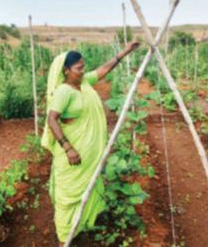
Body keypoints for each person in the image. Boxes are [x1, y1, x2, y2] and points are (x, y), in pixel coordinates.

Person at [41, 41, 141, 246]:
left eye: (83, 66)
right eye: (78, 68)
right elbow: (52, 119)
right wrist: (68, 148)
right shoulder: (63, 92)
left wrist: (125, 51)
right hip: (72, 155)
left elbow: (103, 69)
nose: (82, 70)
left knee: (86, 190)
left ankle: (79, 227)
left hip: (88, 154)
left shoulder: (84, 82)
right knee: (67, 198)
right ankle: (63, 239)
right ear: (66, 70)